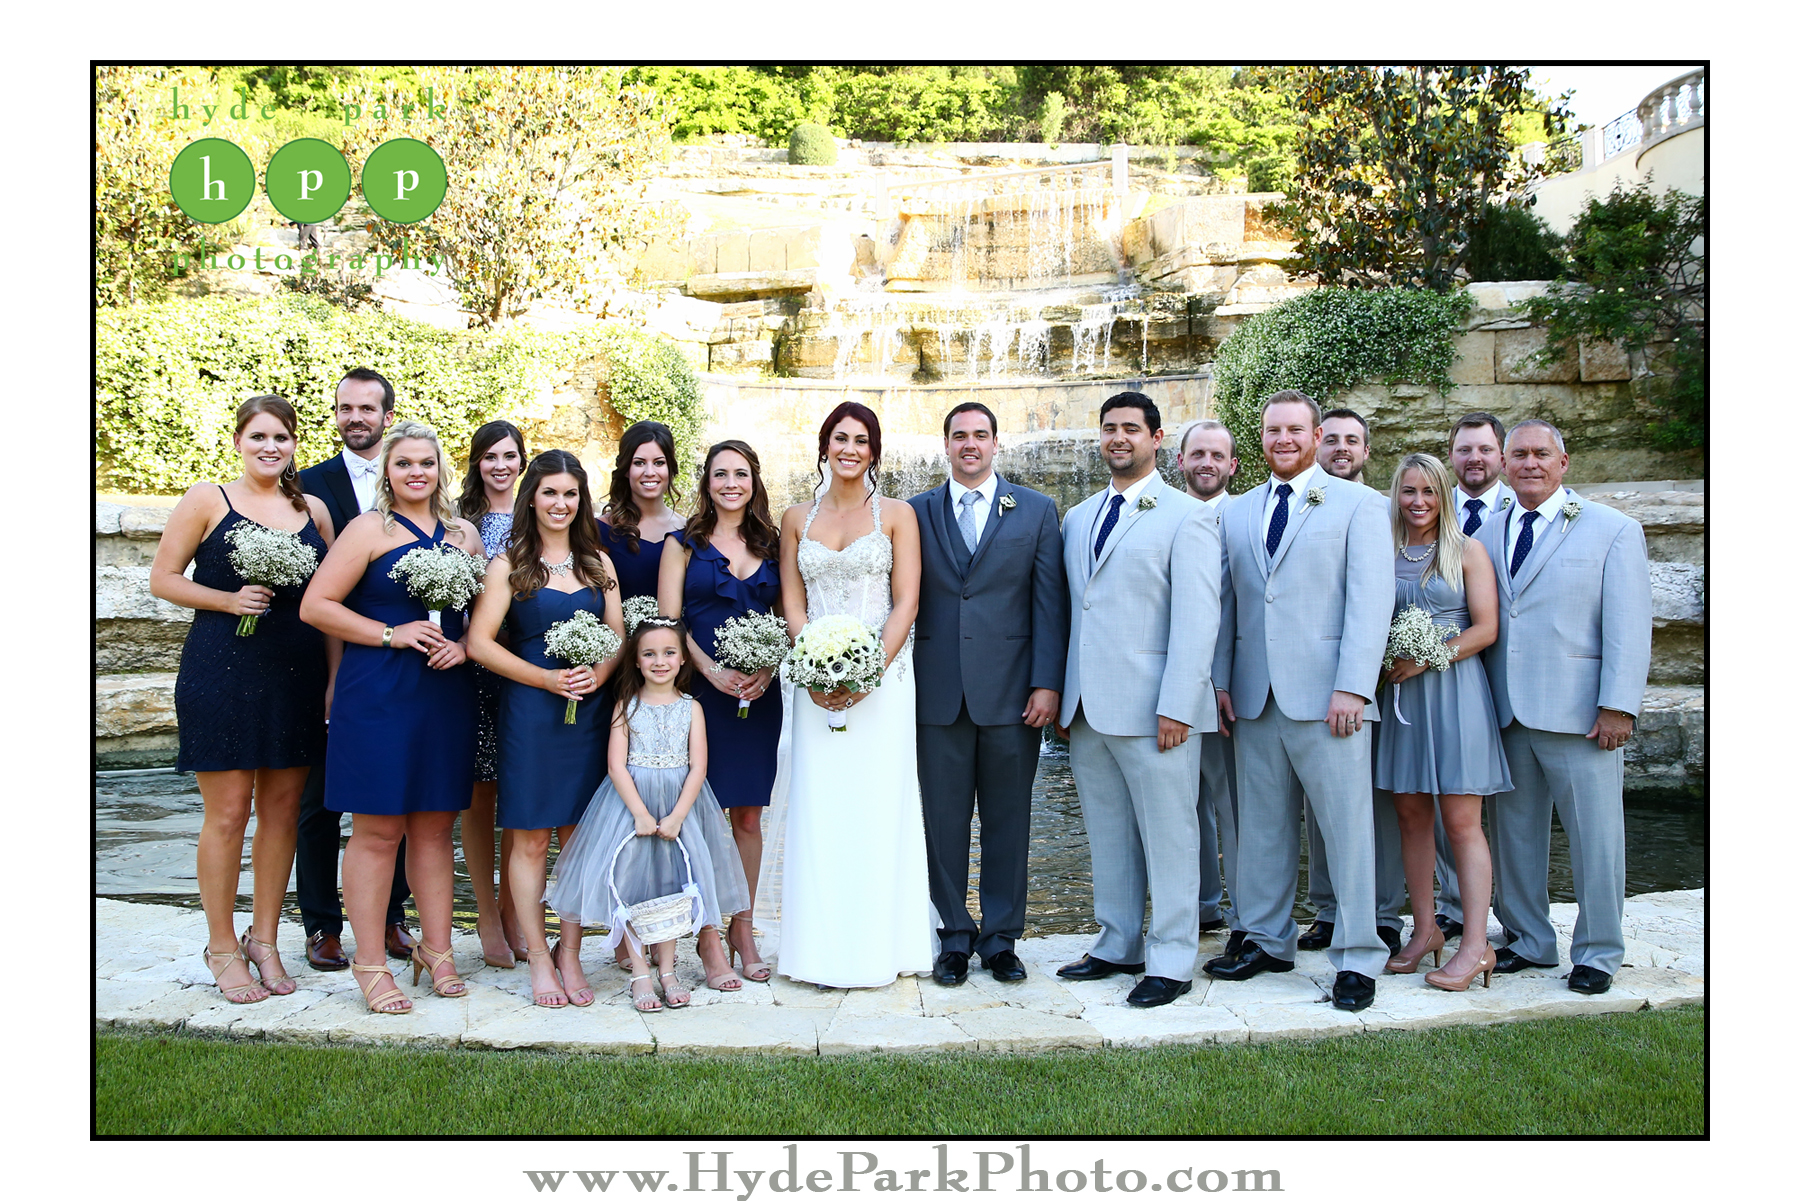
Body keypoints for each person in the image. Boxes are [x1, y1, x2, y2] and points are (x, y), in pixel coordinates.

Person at [1205, 390, 1391, 1013]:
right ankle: (1266, 940)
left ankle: (1358, 955)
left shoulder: (1361, 506)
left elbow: (1370, 603)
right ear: (1261, 439)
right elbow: (1228, 604)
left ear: (1316, 437)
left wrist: (1355, 686)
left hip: (1330, 697)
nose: (1283, 439)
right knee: (1261, 828)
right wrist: (1221, 682)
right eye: (1272, 430)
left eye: (1294, 430)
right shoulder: (1238, 512)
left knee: (1346, 831)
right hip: (1255, 698)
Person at [149, 395, 333, 1003]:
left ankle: (265, 939)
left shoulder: (313, 511)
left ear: (294, 445)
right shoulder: (208, 499)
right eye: (258, 436)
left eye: (281, 437)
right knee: (228, 814)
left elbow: (328, 602)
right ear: (237, 442)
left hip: (296, 673)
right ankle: (222, 945)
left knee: (282, 812)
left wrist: (333, 680)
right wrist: (228, 600)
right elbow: (162, 579)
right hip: (221, 670)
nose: (269, 447)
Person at [299, 420, 481, 1014]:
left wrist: (464, 646)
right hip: (378, 691)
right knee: (378, 831)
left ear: (441, 469)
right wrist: (389, 633)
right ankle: (371, 962)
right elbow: (316, 606)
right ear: (387, 471)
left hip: (444, 694)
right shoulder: (367, 529)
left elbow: (480, 616)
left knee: (435, 828)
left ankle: (437, 950)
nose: (416, 473)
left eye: (426, 462)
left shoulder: (464, 535)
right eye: (404, 463)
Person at [1472, 419, 1651, 994]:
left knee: (1596, 838)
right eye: (1519, 454)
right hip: (1505, 712)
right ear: (1504, 464)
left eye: (1541, 454)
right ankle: (1528, 938)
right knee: (1514, 837)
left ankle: (1598, 951)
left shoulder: (1612, 529)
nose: (1530, 463)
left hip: (1581, 715)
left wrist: (1618, 706)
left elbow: (1629, 625)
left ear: (1563, 462)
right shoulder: (1485, 534)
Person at [1054, 392, 1219, 1009]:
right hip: (1087, 708)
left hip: (1157, 710)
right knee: (1108, 833)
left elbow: (1198, 619)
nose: (1118, 438)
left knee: (1171, 836)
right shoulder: (1078, 517)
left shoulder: (1187, 516)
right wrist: (1066, 698)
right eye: (1109, 428)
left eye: (1130, 428)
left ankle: (1172, 959)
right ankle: (1117, 941)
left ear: (1156, 439)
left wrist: (1179, 703)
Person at [771, 401, 933, 988]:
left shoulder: (898, 515)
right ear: (824, 446)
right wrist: (815, 667)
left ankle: (881, 949)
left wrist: (867, 673)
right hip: (814, 684)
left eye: (862, 440)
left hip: (883, 684)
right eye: (841, 438)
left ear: (874, 451)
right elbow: (792, 602)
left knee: (878, 806)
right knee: (821, 810)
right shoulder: (795, 518)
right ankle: (818, 953)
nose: (850, 449)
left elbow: (906, 602)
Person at [908, 403, 1067, 987]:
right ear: (946, 444)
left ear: (996, 443)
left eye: (980, 435)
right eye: (959, 436)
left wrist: (1048, 683)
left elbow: (1050, 603)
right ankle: (953, 936)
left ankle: (1001, 939)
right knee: (942, 823)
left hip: (1014, 696)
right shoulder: (914, 512)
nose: (969, 444)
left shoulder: (1036, 510)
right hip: (937, 694)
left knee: (1009, 821)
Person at [467, 450, 623, 1007]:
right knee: (531, 837)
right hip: (532, 713)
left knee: (578, 837)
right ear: (531, 497)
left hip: (587, 714)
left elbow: (617, 636)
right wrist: (545, 679)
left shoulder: (598, 563)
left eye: (571, 493)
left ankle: (570, 952)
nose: (561, 503)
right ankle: (537, 956)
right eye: (550, 492)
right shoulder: (509, 564)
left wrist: (598, 675)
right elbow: (479, 643)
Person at [546, 619, 751, 1012]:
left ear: (683, 659)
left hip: (678, 807)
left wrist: (677, 816)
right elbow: (616, 766)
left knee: (674, 886)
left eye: (669, 653)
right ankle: (640, 971)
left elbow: (698, 767)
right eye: (649, 654)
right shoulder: (627, 706)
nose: (660, 661)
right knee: (630, 886)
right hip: (631, 806)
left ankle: (668, 971)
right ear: (637, 661)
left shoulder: (692, 708)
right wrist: (640, 813)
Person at [293, 368, 415, 971]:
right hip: (324, 656)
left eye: (367, 408)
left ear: (387, 417)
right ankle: (321, 924)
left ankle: (392, 916)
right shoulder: (308, 485)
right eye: (345, 408)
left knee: (399, 796)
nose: (355, 417)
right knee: (320, 798)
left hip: (400, 665)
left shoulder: (421, 487)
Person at [1375, 454, 1509, 990]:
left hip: (1455, 694)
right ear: (1397, 495)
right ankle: (1426, 929)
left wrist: (1427, 657)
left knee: (1460, 821)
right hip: (1401, 699)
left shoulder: (1466, 550)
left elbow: (1486, 629)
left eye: (1429, 491)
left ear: (1444, 496)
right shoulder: (1382, 551)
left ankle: (1476, 946)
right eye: (1409, 491)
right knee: (1411, 817)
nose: (1419, 502)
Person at [657, 440, 785, 989]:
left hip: (759, 696)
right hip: (700, 697)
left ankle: (743, 928)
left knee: (748, 817)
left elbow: (789, 615)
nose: (731, 484)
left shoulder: (774, 543)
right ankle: (708, 934)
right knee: (701, 817)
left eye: (740, 474)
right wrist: (708, 671)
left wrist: (769, 669)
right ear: (706, 482)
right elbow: (667, 623)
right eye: (720, 474)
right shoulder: (681, 544)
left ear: (754, 481)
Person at [1303, 405, 1406, 958]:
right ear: (1318, 445)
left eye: (1352, 440)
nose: (1341, 448)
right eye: (1333, 439)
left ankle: (1382, 914)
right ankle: (1328, 909)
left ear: (1367, 451)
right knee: (1322, 808)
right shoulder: (1299, 506)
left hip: (1386, 683)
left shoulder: (1388, 509)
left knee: (1380, 803)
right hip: (1320, 685)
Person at [1429, 411, 1517, 939]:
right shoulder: (1431, 513)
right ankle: (1453, 907)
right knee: (1447, 812)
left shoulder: (1521, 508)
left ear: (1500, 455)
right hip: (1446, 688)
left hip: (1511, 682)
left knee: (1510, 819)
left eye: (1485, 449)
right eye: (1464, 449)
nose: (1474, 458)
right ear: (1451, 455)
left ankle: (1516, 921)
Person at [457, 419, 530, 969]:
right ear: (477, 463)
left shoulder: (538, 519)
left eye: (509, 456)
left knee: (521, 795)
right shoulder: (459, 524)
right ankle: (485, 914)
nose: (500, 465)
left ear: (522, 462)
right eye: (490, 456)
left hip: (526, 667)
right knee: (479, 795)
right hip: (474, 668)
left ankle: (514, 913)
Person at [1175, 419, 1241, 948]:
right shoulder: (1165, 516)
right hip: (1172, 690)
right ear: (1180, 460)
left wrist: (1222, 680)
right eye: (1198, 454)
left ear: (1232, 465)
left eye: (1217, 456)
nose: (1207, 463)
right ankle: (1201, 906)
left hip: (1231, 692)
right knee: (1185, 805)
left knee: (1234, 806)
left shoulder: (1248, 519)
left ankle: (1247, 916)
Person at [598, 420, 684, 602]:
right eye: (639, 463)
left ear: (670, 468)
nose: (650, 472)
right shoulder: (601, 530)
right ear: (626, 469)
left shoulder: (688, 530)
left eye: (659, 463)